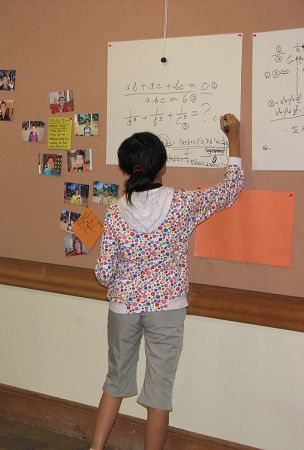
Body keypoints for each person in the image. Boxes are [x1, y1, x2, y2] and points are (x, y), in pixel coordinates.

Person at [90, 114, 244, 450]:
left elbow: (103, 272)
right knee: (159, 392)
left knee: (115, 382)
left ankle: (95, 448)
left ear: (127, 169)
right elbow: (229, 191)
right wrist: (234, 139)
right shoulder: (182, 203)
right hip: (167, 308)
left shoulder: (115, 212)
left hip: (123, 308)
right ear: (163, 167)